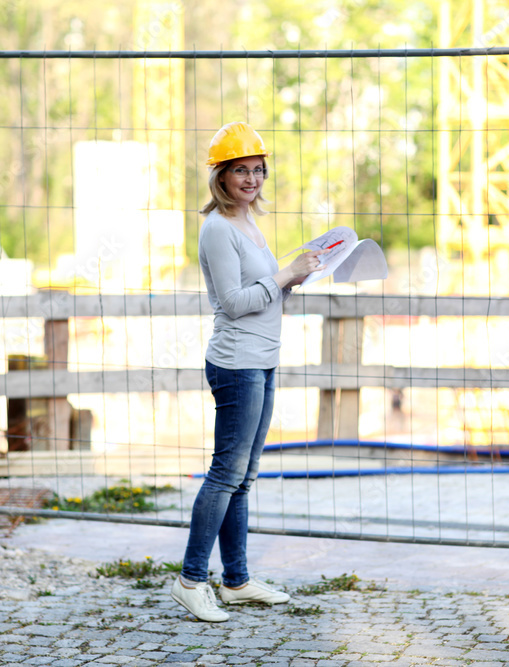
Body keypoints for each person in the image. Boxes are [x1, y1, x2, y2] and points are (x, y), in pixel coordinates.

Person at [170, 122, 326, 622]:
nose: (252, 179)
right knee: (225, 474)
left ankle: (235, 581)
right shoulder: (218, 228)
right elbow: (235, 304)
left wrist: (293, 279)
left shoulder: (248, 224)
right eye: (241, 171)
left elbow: (263, 292)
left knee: (243, 478)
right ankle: (192, 580)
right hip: (237, 364)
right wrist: (283, 274)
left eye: (258, 170)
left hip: (262, 359)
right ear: (221, 175)